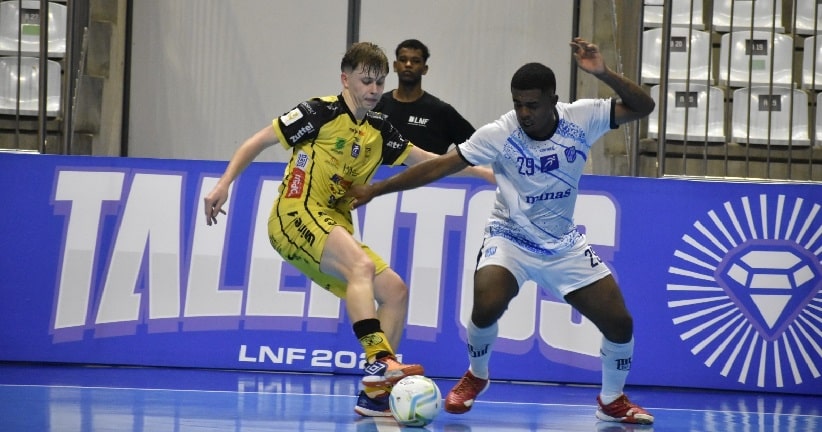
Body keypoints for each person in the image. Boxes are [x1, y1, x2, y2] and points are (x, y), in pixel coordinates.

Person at [346, 37, 656, 425]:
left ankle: (612, 399)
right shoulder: (500, 132)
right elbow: (441, 165)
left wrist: (603, 73)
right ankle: (476, 375)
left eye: (533, 105)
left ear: (552, 100)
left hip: (563, 245)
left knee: (620, 323)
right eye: (518, 104)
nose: (524, 113)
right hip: (509, 237)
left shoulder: (584, 117)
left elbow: (645, 107)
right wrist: (376, 189)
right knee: (487, 301)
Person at [202, 42, 493, 418]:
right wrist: (223, 184)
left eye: (378, 82)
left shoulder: (379, 129)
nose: (373, 89)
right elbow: (258, 141)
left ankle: (374, 397)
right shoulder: (318, 112)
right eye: (365, 81)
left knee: (395, 291)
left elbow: (430, 161)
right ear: (346, 79)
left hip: (333, 224)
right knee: (361, 266)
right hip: (295, 213)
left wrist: (488, 173)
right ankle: (379, 361)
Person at [375, 39, 475, 155]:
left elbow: (475, 144)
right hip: (380, 173)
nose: (408, 65)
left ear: (425, 69)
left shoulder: (440, 111)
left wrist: (450, 166)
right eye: (403, 60)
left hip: (429, 173)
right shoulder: (377, 105)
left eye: (415, 61)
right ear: (395, 66)